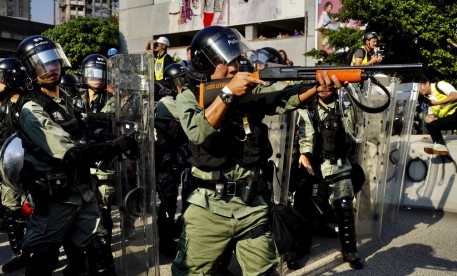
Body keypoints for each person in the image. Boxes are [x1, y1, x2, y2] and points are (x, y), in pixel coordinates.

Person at [170, 25, 343, 275]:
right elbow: (198, 131)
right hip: (208, 206)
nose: (233, 67)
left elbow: (281, 97)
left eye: (235, 60)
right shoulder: (188, 97)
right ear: (205, 64)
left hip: (251, 203)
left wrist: (316, 88)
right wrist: (228, 93)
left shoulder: (248, 91)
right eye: (224, 61)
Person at [16, 34, 137, 275]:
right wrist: (116, 146)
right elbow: (70, 153)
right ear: (31, 71)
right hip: (57, 198)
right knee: (44, 258)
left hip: (83, 190)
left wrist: (117, 134)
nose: (50, 69)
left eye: (53, 62)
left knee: (101, 252)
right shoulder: (32, 110)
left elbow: (83, 131)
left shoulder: (66, 99)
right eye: (41, 65)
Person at [296, 84, 364, 270]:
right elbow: (306, 135)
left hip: (340, 165)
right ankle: (300, 249)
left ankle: (350, 251)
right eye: (321, 86)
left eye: (329, 86)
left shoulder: (345, 106)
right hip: (315, 167)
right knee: (307, 210)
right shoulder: (307, 109)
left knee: (345, 208)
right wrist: (305, 153)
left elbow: (356, 130)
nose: (325, 90)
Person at [0, 57, 30, 273]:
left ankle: (37, 253)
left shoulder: (28, 103)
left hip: (29, 168)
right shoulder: (5, 104)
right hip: (8, 166)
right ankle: (20, 254)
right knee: (11, 210)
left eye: (1, 79)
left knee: (33, 212)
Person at [74, 54, 115, 245]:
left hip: (103, 161)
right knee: (84, 206)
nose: (95, 77)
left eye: (100, 73)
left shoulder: (112, 100)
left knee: (103, 204)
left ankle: (104, 246)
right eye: (92, 73)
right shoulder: (75, 100)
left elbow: (110, 123)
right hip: (82, 158)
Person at [154, 63, 190, 258]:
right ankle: (165, 242)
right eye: (179, 80)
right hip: (167, 161)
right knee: (168, 205)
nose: (183, 83)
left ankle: (179, 233)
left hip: (181, 159)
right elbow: (192, 115)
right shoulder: (167, 102)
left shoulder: (181, 98)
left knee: (188, 200)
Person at [417, 75, 457, 156]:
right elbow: (431, 116)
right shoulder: (428, 98)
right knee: (431, 125)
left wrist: (437, 103)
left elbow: (455, 95)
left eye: (420, 86)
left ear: (427, 83)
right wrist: (433, 133)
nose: (419, 90)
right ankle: (441, 148)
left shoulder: (440, 85)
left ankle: (441, 147)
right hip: (451, 119)